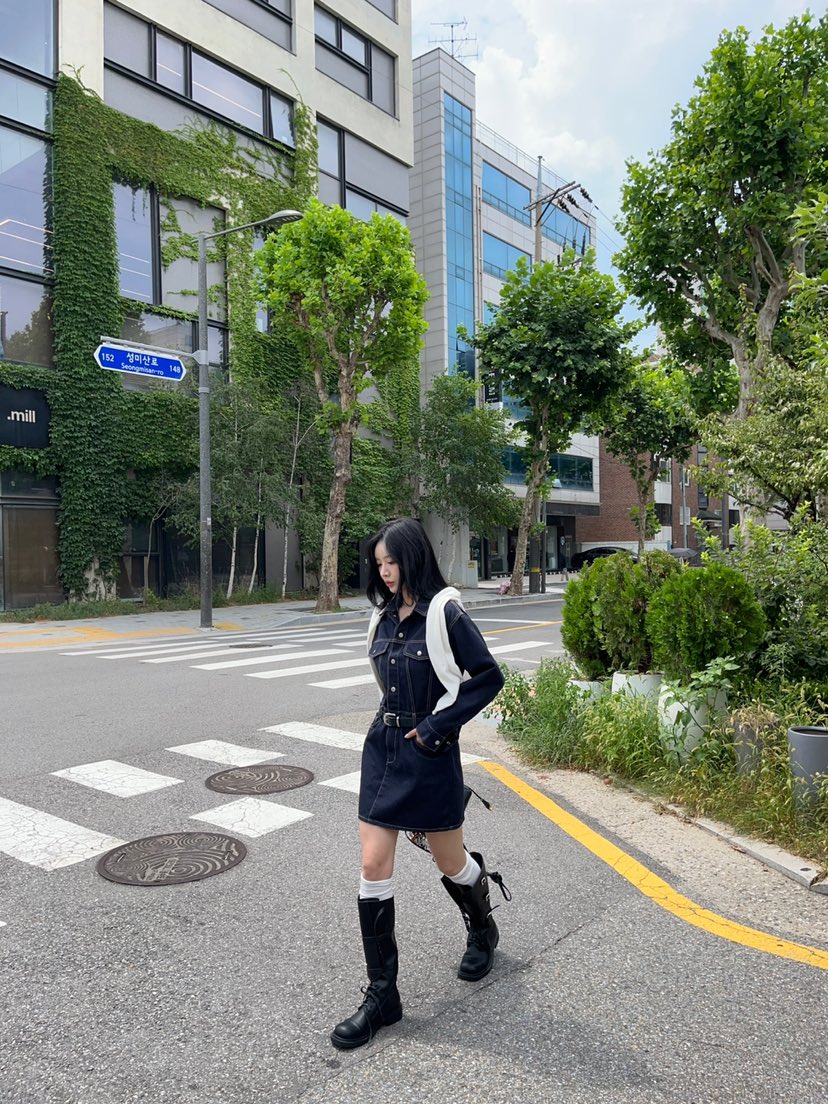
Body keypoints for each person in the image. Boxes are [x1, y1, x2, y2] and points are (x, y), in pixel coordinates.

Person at [331, 518, 508, 1051]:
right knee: (372, 864)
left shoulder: (445, 612)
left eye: (392, 561)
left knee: (450, 862)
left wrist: (435, 728)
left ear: (413, 557)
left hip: (429, 752)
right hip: (383, 749)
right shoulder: (381, 617)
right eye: (378, 564)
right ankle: (383, 996)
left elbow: (488, 677)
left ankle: (482, 926)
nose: (385, 572)